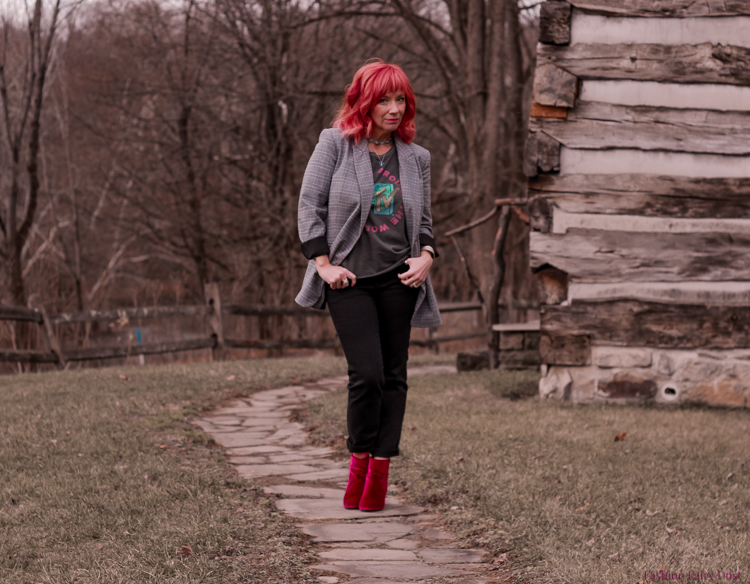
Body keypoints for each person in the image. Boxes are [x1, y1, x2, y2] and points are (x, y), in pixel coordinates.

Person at [295, 60, 442, 512]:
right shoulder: (335, 144)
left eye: (401, 100)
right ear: (365, 101)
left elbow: (428, 222)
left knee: (395, 378)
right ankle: (358, 465)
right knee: (368, 376)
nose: (394, 108)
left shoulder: (417, 159)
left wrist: (428, 258)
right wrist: (323, 264)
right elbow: (309, 205)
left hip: (400, 279)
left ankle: (380, 474)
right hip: (350, 281)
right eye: (384, 99)